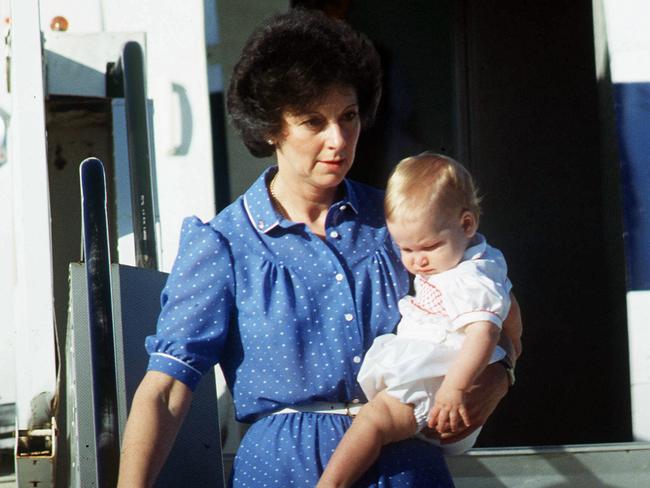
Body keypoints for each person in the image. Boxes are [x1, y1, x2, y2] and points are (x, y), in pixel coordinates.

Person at [117, 9, 521, 488]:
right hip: (284, 470)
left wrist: (501, 377)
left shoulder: (396, 223)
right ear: (272, 128)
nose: (338, 139)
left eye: (348, 116)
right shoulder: (226, 243)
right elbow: (165, 389)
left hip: (405, 469)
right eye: (313, 121)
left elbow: (498, 310)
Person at [317, 153, 522, 487]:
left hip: (439, 385)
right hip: (434, 381)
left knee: (374, 421)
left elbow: (485, 332)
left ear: (467, 224)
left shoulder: (467, 277)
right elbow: (512, 323)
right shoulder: (478, 260)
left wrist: (455, 388)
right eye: (406, 250)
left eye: (428, 246)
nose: (417, 261)